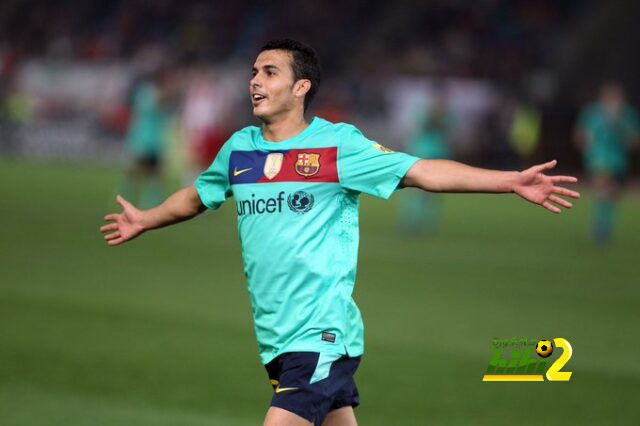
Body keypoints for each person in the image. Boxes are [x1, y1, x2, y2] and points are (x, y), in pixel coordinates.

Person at [100, 39, 580, 426]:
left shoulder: (336, 145)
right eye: (253, 71)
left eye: (269, 72)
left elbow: (422, 171)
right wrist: (146, 218)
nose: (255, 81)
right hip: (276, 335)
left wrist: (509, 181)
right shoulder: (239, 149)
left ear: (301, 87)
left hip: (320, 335)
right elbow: (198, 195)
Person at [574, 82, 640, 246]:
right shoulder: (592, 113)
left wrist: (621, 130)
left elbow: (634, 141)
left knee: (611, 195)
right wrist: (588, 147)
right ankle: (601, 230)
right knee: (604, 189)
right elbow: (580, 135)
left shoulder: (627, 115)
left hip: (619, 161)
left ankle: (602, 225)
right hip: (599, 158)